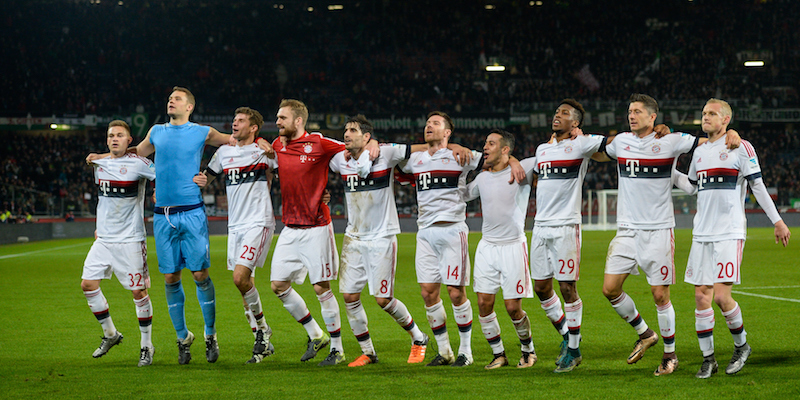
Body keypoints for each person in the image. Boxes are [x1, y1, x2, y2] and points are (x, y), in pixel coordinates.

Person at [87, 87, 247, 364]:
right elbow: (132, 153)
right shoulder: (157, 131)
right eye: (170, 98)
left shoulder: (202, 132)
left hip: (192, 212)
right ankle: (182, 337)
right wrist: (103, 156)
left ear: (189, 107)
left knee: (199, 274)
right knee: (170, 278)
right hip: (162, 216)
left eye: (177, 99)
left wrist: (211, 173)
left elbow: (235, 141)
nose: (171, 101)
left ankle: (210, 335)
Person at [594, 93, 739, 376]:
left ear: (652, 117)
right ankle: (645, 333)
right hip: (626, 229)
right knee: (609, 289)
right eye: (629, 111)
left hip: (658, 229)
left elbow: (710, 140)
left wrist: (732, 131)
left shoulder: (671, 141)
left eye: (637, 111)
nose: (631, 115)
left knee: (660, 295)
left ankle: (670, 355)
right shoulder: (621, 141)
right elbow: (599, 151)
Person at [672, 99, 791, 378]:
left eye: (712, 114)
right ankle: (708, 358)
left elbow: (757, 185)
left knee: (721, 296)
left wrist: (778, 221)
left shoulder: (740, 146)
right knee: (701, 296)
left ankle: (741, 346)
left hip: (729, 231)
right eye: (703, 113)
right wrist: (668, 171)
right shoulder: (700, 152)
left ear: (726, 120)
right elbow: (690, 187)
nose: (706, 117)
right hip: (702, 233)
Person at [400, 111, 524, 367]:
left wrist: (513, 161)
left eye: (435, 124)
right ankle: (444, 350)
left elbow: (496, 158)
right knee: (427, 293)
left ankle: (465, 351)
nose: (428, 126)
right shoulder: (415, 160)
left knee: (456, 293)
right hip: (424, 233)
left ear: (447, 132)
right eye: (427, 123)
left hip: (452, 230)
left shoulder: (461, 156)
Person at [269, 99, 378, 366]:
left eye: (282, 118)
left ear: (298, 121)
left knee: (321, 287)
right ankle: (316, 334)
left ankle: (338, 349)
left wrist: (373, 143)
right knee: (278, 285)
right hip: (290, 227)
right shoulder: (276, 145)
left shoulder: (319, 143)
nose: (278, 122)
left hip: (317, 226)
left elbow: (353, 147)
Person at [328, 115, 430, 367]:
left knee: (383, 300)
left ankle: (418, 338)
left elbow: (423, 148)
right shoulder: (339, 159)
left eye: (353, 130)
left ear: (366, 136)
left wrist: (375, 144)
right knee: (350, 296)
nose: (347, 134)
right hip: (353, 238)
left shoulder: (386, 153)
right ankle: (368, 352)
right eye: (345, 130)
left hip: (381, 237)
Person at [193, 107, 278, 364]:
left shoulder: (264, 151)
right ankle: (261, 341)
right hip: (235, 226)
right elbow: (205, 178)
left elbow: (287, 173)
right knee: (244, 288)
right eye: (234, 119)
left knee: (239, 278)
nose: (234, 123)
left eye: (241, 120)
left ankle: (263, 330)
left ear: (254, 128)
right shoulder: (223, 153)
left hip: (258, 221)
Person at [530, 99, 609, 373]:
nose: (557, 115)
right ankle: (568, 335)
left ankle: (574, 351)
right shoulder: (542, 149)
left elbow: (611, 148)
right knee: (541, 288)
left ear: (575, 123)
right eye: (556, 111)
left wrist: (586, 138)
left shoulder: (582, 144)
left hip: (566, 226)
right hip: (540, 226)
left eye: (564, 113)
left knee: (567, 288)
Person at [81, 120, 156, 366]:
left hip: (131, 239)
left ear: (129, 140)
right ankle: (111, 334)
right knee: (88, 284)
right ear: (107, 140)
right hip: (103, 238)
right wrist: (98, 227)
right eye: (111, 135)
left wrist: (159, 193)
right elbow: (104, 201)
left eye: (120, 135)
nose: (114, 138)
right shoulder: (99, 165)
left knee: (138, 292)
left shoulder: (141, 165)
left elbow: (161, 176)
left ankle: (146, 346)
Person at [464, 129, 539, 370]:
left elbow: (545, 155)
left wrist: (515, 161)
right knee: (484, 303)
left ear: (505, 149)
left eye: (491, 143)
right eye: (485, 142)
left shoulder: (521, 170)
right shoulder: (483, 178)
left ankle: (528, 350)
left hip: (513, 246)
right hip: (487, 246)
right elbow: (464, 195)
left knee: (512, 307)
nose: (485, 147)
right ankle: (499, 354)